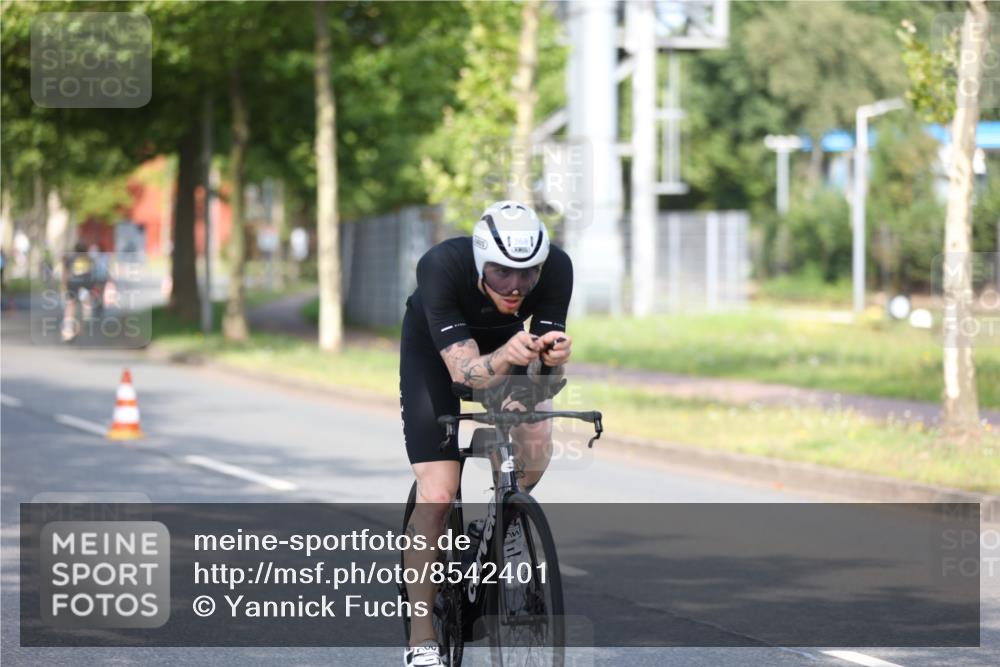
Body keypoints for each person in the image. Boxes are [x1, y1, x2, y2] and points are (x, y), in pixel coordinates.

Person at [399, 201, 573, 667]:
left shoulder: (557, 268)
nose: (515, 286)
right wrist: (506, 359)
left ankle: (503, 519)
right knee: (438, 491)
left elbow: (543, 377)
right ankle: (421, 638)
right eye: (501, 272)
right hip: (436, 355)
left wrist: (551, 365)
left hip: (507, 348)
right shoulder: (440, 266)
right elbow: (464, 375)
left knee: (535, 441)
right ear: (480, 262)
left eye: (527, 274)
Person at [61, 241, 95, 341]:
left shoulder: (70, 258)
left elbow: (65, 273)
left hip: (72, 284)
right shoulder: (89, 259)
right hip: (85, 285)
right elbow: (92, 273)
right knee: (86, 301)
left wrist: (64, 284)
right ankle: (86, 315)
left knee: (70, 307)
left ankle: (68, 330)